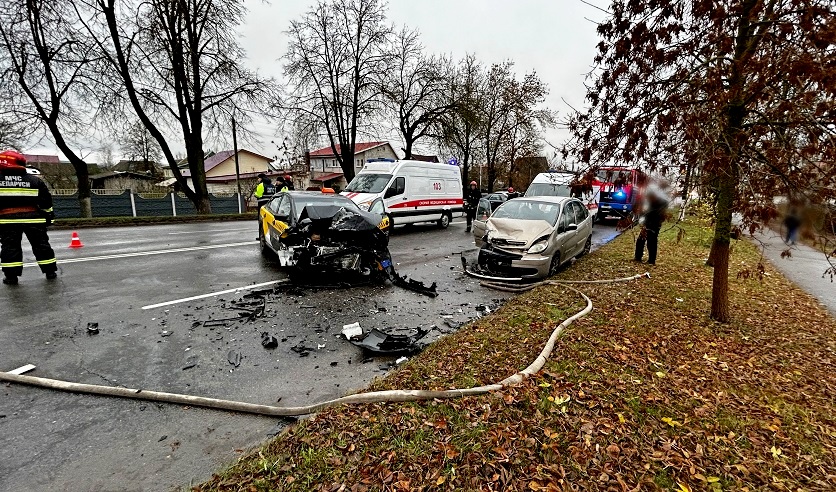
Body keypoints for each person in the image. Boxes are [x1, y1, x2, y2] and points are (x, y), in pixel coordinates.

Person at [0, 150, 58, 285]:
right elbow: (46, 202)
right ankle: (50, 272)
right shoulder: (35, 180)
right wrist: (49, 217)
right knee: (41, 245)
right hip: (34, 219)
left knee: (10, 247)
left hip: (7, 220)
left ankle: (11, 277)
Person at [634, 184, 669, 265]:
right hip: (648, 223)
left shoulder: (662, 203)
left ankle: (651, 260)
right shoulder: (651, 203)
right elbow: (647, 214)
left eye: (650, 198)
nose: (649, 199)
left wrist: (649, 223)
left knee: (652, 242)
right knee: (640, 240)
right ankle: (638, 257)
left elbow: (657, 215)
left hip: (655, 225)